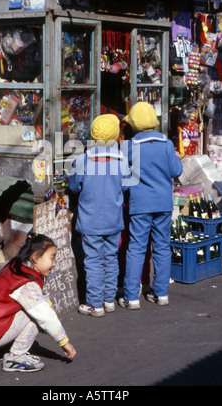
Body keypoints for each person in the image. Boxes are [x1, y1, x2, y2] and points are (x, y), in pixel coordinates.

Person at [0, 232, 76, 372]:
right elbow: (45, 315)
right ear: (35, 257)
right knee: (36, 315)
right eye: (52, 258)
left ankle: (0, 350)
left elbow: (38, 296)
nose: (54, 264)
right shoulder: (27, 283)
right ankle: (15, 357)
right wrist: (64, 342)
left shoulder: (18, 267)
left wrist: (49, 306)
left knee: (33, 308)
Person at [119, 102, 183, 309]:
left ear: (133, 125)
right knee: (163, 247)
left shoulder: (129, 146)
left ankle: (131, 297)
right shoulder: (165, 144)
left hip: (139, 205)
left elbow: (122, 175)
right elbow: (176, 171)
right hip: (163, 203)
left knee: (136, 248)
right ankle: (161, 293)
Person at [68, 114, 130, 317]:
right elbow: (126, 185)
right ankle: (108, 299)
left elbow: (74, 186)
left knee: (93, 260)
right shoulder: (122, 159)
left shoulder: (83, 159)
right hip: (114, 219)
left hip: (90, 221)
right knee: (110, 258)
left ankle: (95, 303)